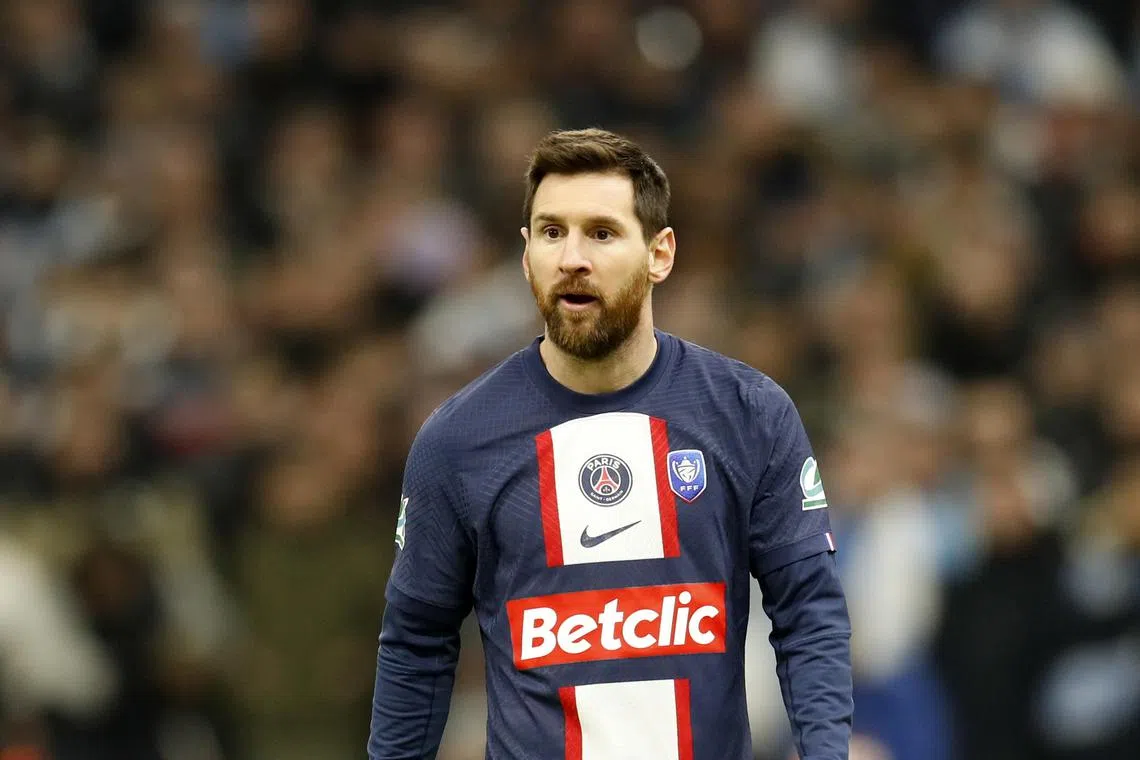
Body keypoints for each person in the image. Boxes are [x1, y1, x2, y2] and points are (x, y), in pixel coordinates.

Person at [368, 128, 853, 760]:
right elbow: (416, 643)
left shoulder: (749, 414)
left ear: (659, 254)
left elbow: (808, 614)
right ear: (526, 256)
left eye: (601, 233)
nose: (572, 257)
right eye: (552, 232)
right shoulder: (458, 440)